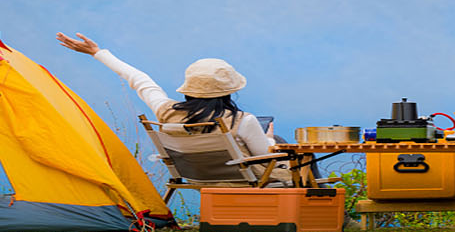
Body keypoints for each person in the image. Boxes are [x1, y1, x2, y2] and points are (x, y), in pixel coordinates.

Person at [55, 32, 292, 183]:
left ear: (188, 88)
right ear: (229, 91)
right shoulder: (243, 121)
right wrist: (270, 141)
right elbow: (264, 157)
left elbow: (140, 82)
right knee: (289, 149)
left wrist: (98, 53)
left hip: (199, 180)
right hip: (245, 182)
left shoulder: (165, 112)